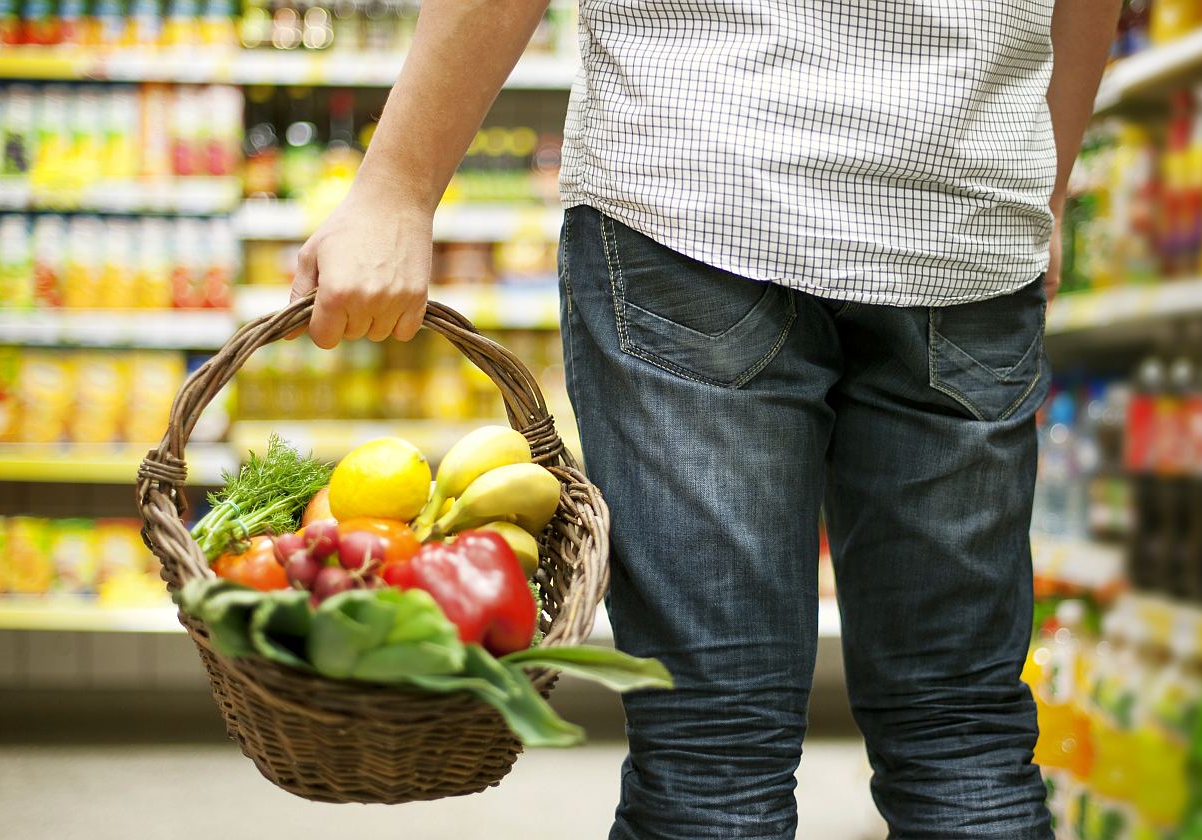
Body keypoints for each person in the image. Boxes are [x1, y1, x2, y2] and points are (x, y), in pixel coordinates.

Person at [291, 1, 1118, 837]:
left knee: (713, 751)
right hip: (965, 214)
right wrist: (1043, 186)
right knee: (964, 736)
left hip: (702, 192)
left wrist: (398, 185)